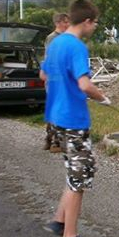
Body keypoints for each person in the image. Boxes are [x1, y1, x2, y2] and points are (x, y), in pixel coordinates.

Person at [41, 0, 109, 237]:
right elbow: (84, 85)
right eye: (95, 23)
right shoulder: (77, 47)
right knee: (79, 179)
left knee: (73, 171)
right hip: (73, 120)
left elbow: (44, 76)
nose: (95, 27)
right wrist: (102, 97)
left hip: (56, 117)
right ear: (88, 21)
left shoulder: (56, 42)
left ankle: (60, 221)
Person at [43, 12, 70, 152]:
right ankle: (55, 143)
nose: (68, 24)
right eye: (65, 22)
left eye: (68, 22)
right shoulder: (53, 38)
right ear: (58, 23)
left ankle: (49, 140)